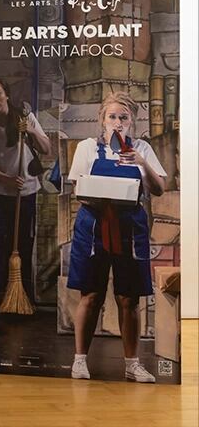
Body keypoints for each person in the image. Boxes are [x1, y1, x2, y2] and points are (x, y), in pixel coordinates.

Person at [67, 92, 166, 383]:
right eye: (112, 116)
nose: (118, 122)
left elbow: (159, 188)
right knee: (91, 294)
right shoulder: (87, 148)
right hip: (94, 226)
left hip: (130, 227)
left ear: (131, 121)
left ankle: (132, 364)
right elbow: (78, 187)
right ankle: (80, 360)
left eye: (123, 117)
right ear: (102, 120)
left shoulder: (142, 149)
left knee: (128, 298)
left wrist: (140, 163)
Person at [0, 77, 51, 307]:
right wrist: (5, 180)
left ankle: (21, 298)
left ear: (6, 94)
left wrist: (32, 131)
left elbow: (46, 148)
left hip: (25, 193)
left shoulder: (24, 117)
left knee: (24, 243)